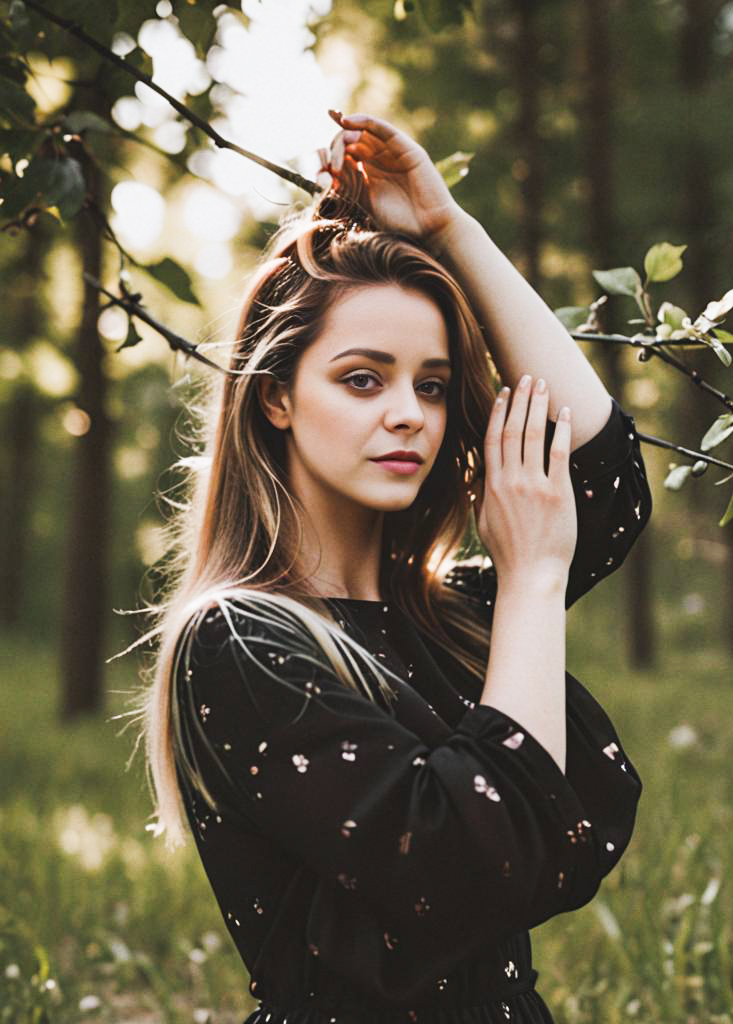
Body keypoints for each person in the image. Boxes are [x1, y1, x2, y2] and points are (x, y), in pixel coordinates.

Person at [134, 112, 652, 1023]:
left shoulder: (445, 616)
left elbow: (604, 482)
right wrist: (533, 580)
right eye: (364, 378)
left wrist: (453, 231)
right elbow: (465, 866)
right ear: (278, 397)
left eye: (434, 384)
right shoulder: (241, 642)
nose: (410, 413)